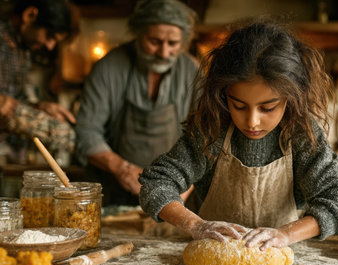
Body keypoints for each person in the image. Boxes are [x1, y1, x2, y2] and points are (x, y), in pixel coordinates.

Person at [139, 21, 338, 250]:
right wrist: (196, 225)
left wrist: (284, 235)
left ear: (291, 98)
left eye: (268, 108)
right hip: (211, 259)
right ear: (224, 95)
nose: (252, 121)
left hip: (284, 262)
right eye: (239, 106)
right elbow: (156, 183)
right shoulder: (211, 130)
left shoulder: (301, 134)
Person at [75, 0, 198, 206]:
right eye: (155, 41)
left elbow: (205, 137)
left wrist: (189, 182)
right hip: (113, 189)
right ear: (139, 33)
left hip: (173, 190)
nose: (164, 52)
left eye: (173, 44)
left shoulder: (192, 72)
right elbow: (86, 133)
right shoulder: (109, 67)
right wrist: (122, 169)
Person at [0, 0, 78, 154]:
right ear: (29, 16)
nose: (50, 46)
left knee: (66, 133)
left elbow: (13, 102)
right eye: (49, 36)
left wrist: (40, 107)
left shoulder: (23, 50)